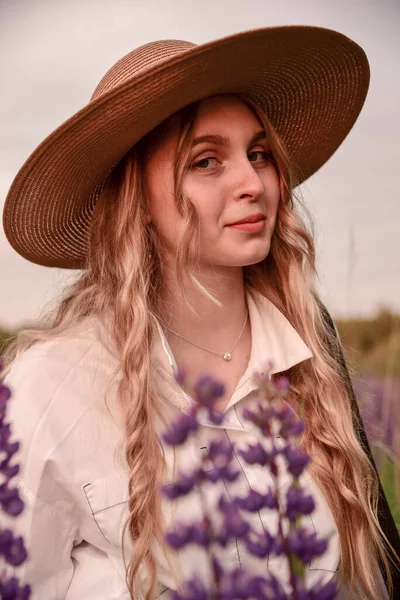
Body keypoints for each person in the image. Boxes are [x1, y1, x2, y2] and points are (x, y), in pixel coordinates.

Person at [1, 26, 399, 600]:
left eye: (258, 154)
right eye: (206, 161)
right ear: (136, 201)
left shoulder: (313, 363)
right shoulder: (48, 389)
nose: (252, 182)